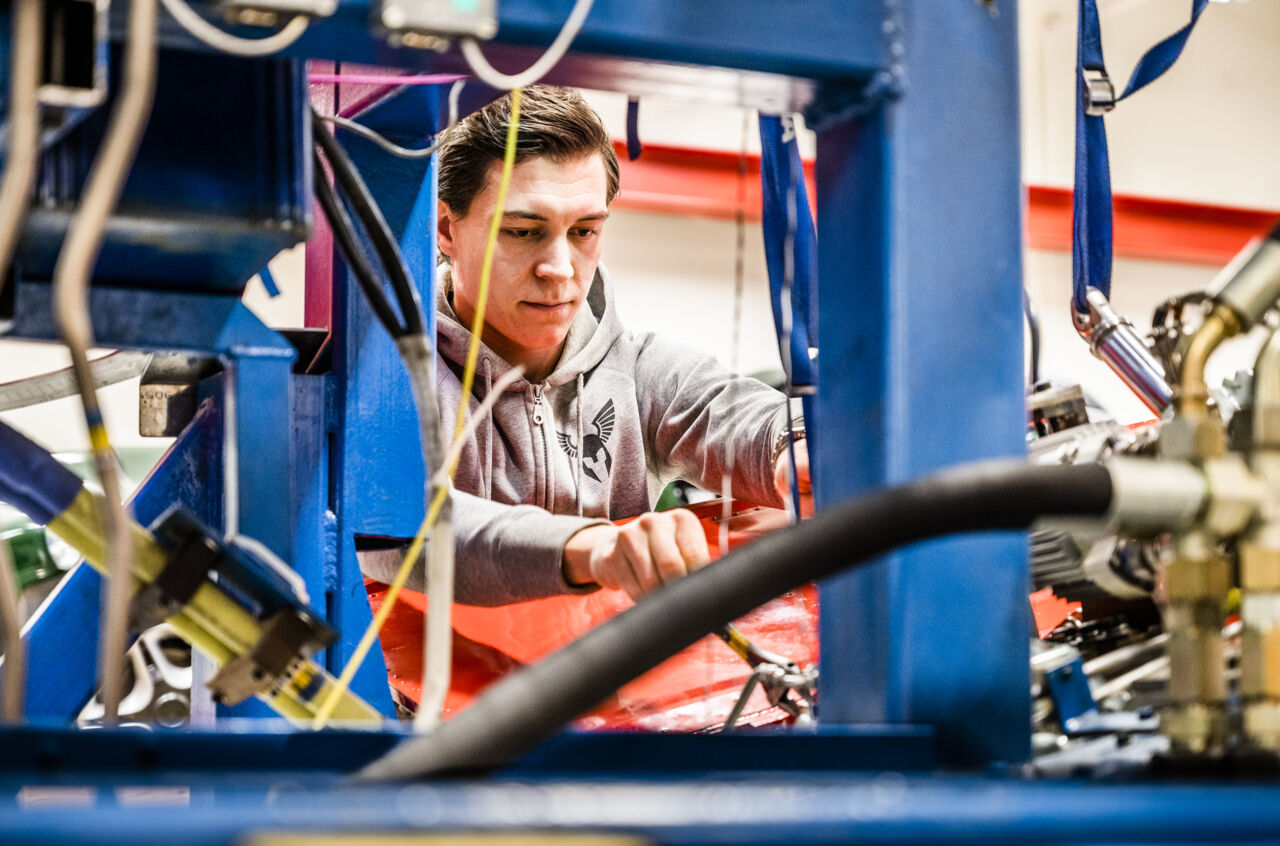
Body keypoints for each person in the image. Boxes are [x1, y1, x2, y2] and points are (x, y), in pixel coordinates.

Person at [365, 85, 810, 605]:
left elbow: (735, 413)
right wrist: (588, 548)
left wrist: (797, 449)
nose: (558, 269)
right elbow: (400, 527)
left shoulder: (636, 371)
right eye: (524, 232)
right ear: (446, 228)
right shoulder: (386, 382)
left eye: (584, 232)